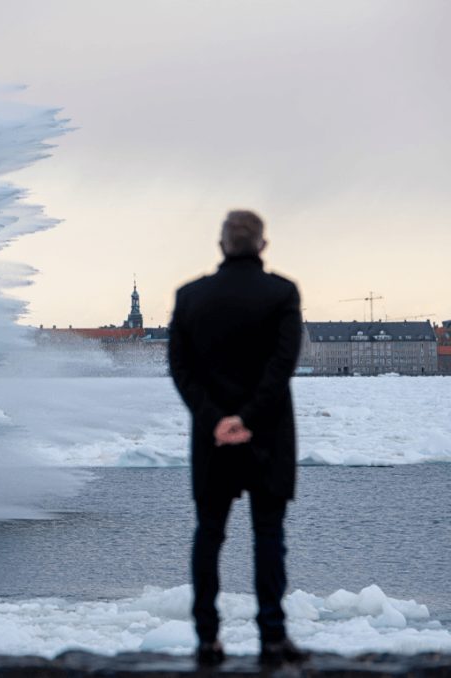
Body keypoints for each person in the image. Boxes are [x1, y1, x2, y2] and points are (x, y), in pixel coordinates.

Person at [167, 210, 309, 667]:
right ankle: (272, 636)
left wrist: (215, 420)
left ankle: (206, 639)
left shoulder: (189, 297)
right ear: (263, 246)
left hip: (212, 441)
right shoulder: (282, 293)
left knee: (209, 535)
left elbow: (181, 369)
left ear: (221, 245)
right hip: (268, 435)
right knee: (268, 535)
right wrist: (248, 417)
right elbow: (282, 364)